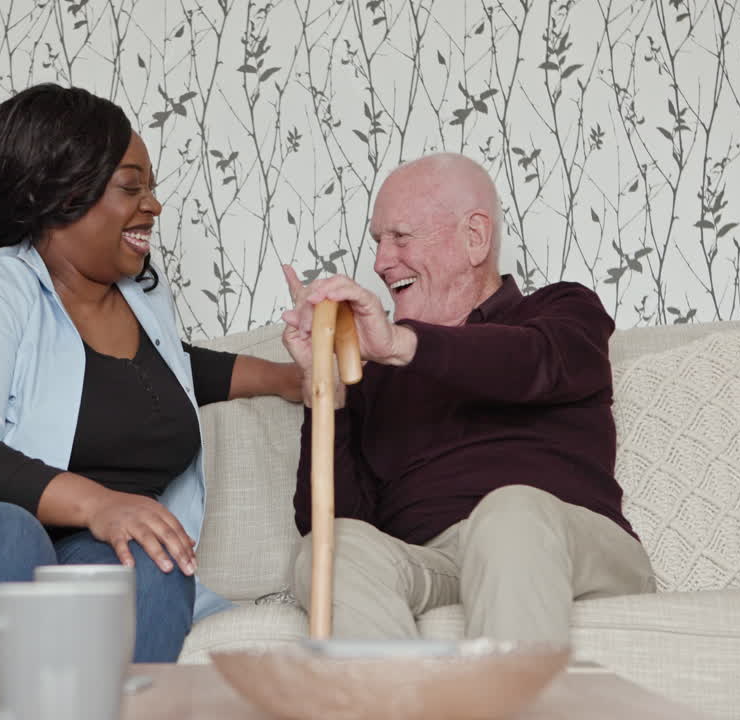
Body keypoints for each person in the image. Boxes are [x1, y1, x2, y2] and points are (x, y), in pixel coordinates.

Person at [0, 83, 302, 707]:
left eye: (151, 187)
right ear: (61, 197)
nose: (154, 205)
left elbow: (175, 371)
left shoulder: (142, 299)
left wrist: (289, 378)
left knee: (155, 552)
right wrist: (100, 504)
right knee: (10, 533)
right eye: (131, 187)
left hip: (66, 551)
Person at [279, 152, 655, 646]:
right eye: (377, 242)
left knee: (509, 515)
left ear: (475, 236)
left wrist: (403, 345)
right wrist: (324, 392)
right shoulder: (372, 370)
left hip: (559, 541)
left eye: (400, 237)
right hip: (437, 561)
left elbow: (535, 363)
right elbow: (336, 520)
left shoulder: (559, 310)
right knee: (328, 549)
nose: (380, 261)